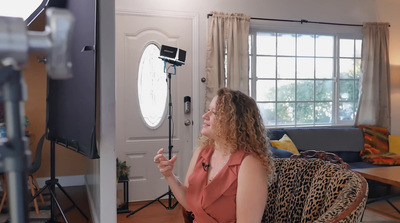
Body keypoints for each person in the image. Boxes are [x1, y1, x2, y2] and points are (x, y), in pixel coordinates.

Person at [154, 88, 274, 223]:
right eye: (208, 109)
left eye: (215, 112)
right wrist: (169, 175)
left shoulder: (250, 164)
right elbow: (189, 203)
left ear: (233, 122)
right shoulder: (202, 152)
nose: (205, 116)